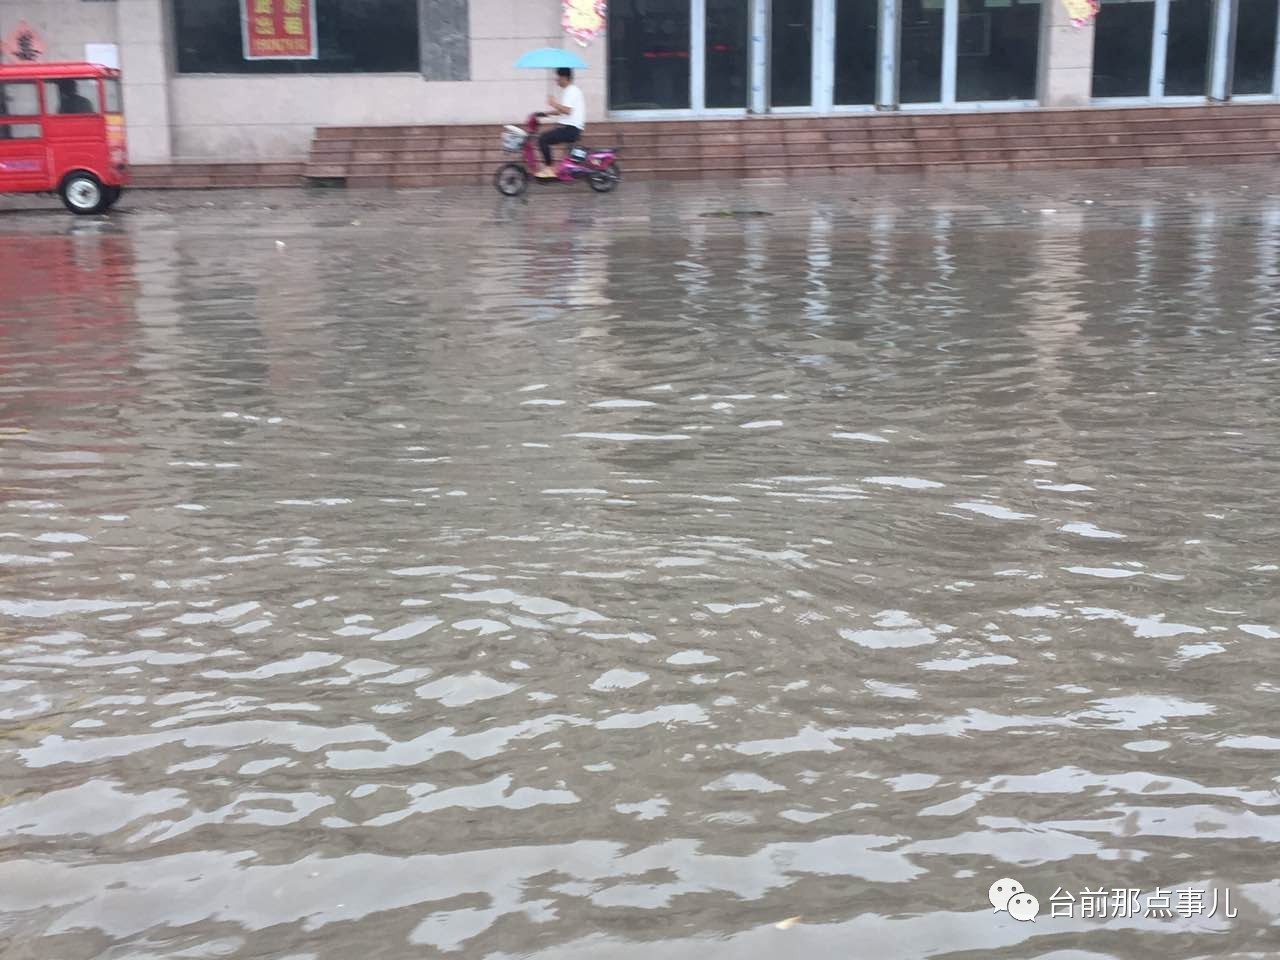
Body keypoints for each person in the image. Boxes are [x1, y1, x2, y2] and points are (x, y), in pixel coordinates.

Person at [535, 67, 584, 179]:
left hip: (571, 129)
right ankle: (553, 169)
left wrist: (553, 103)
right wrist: (546, 113)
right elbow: (563, 110)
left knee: (543, 139)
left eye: (558, 77)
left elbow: (567, 110)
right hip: (569, 128)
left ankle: (549, 169)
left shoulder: (571, 91)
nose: (556, 80)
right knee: (546, 137)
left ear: (564, 78)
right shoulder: (570, 90)